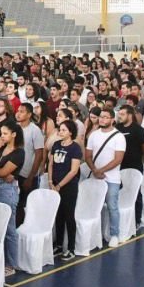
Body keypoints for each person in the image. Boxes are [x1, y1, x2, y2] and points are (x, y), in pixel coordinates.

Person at [0, 122, 24, 276]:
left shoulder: (19, 152)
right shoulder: (2, 148)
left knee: (9, 228)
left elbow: (1, 172)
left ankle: (11, 264)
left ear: (14, 134)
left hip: (7, 190)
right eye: (1, 133)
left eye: (5, 133)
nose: (2, 136)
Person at [85, 108, 126, 247]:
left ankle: (114, 234)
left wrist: (100, 170)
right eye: (101, 117)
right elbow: (88, 155)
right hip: (96, 177)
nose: (102, 119)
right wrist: (94, 170)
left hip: (112, 178)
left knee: (112, 206)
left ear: (112, 120)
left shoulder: (119, 137)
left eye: (105, 117)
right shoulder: (93, 135)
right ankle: (93, 235)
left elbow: (118, 159)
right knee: (93, 206)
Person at [49, 120, 82, 261]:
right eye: (60, 130)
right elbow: (51, 164)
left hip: (68, 187)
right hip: (55, 185)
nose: (60, 132)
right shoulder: (56, 145)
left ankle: (71, 248)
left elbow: (73, 171)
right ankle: (58, 245)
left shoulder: (75, 148)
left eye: (64, 130)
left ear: (70, 132)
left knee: (69, 216)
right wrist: (51, 182)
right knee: (58, 216)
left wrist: (60, 185)